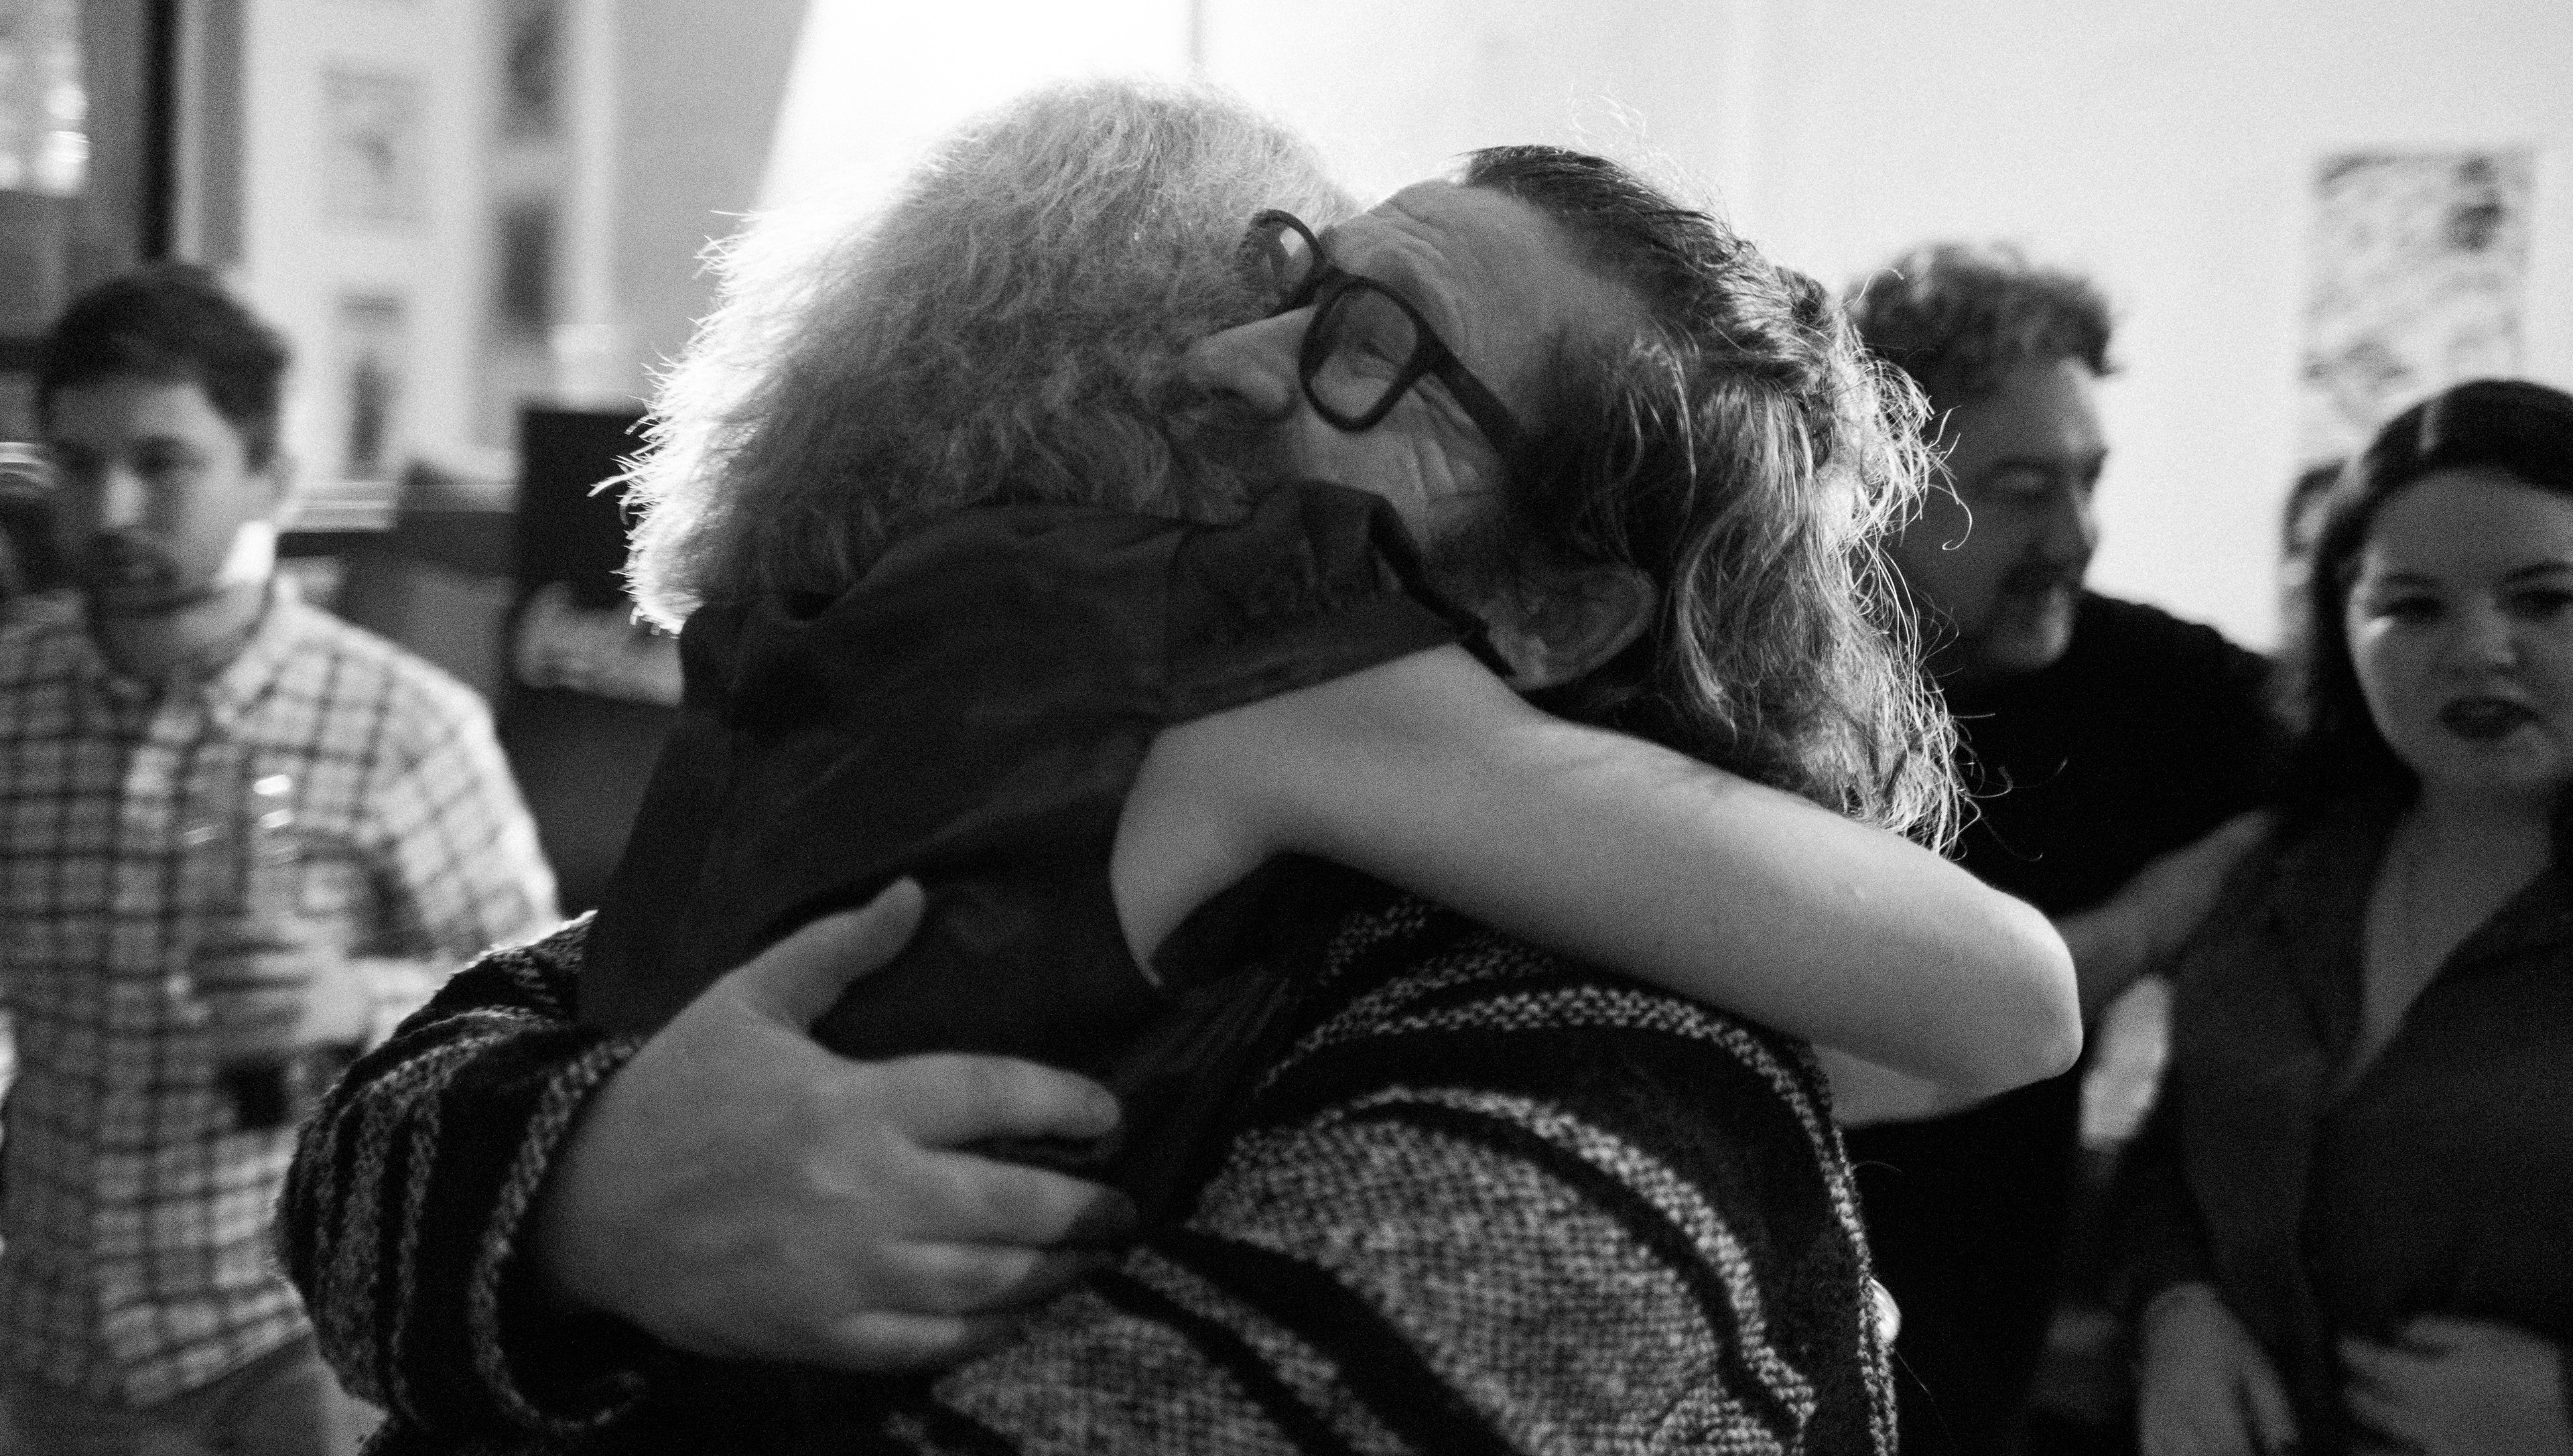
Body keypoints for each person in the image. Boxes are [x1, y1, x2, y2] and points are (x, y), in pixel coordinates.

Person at [283, 82, 2068, 1453]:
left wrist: (570, 1225)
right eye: (1308, 284)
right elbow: (410, 1111)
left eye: (1373, 348)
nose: (1218, 363)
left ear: (1558, 602)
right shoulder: (1167, 681)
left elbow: (2000, 1001)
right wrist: (592, 1191)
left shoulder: (1562, 1041)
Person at [0, 266, 555, 1454]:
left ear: (272, 476)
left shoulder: (402, 721)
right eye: (77, 464)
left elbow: (541, 1012)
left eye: (161, 462)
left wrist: (356, 997)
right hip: (52, 1337)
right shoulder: (11, 704)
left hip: (295, 1335)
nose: (109, 508)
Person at [1837, 243, 2288, 1455]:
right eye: (2024, 489)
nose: (2077, 535)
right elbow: (1872, 1037)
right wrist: (2143, 925)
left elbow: (2364, 751)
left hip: (1983, 1369)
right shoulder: (1753, 685)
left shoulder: (2139, 683)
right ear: (1872, 478)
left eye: (2089, 482)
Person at [2121, 378, 2573, 1456]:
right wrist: (2175, 1309)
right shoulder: (2285, 868)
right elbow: (2179, 1151)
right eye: (2412, 606)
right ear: (2342, 624)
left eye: (2545, 599)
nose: (2478, 649)